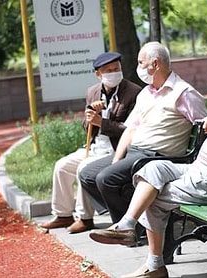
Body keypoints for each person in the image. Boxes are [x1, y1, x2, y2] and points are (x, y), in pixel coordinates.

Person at [88, 59, 207, 278]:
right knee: (152, 169)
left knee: (154, 196)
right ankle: (127, 225)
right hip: (198, 171)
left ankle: (154, 265)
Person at [78, 41, 207, 226]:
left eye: (141, 63)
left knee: (106, 179)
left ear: (155, 64)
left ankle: (129, 229)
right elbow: (130, 129)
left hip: (157, 156)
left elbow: (205, 128)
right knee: (87, 174)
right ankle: (133, 218)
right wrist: (116, 161)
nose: (137, 67)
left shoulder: (184, 93)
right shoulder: (146, 93)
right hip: (135, 151)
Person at [40, 52, 141, 233]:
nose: (114, 73)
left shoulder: (134, 92)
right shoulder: (92, 92)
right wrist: (89, 118)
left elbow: (131, 130)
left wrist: (102, 122)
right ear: (98, 74)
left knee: (83, 168)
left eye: (116, 69)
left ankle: (85, 218)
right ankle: (63, 214)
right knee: (61, 166)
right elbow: (87, 127)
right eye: (108, 71)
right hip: (94, 147)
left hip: (116, 149)